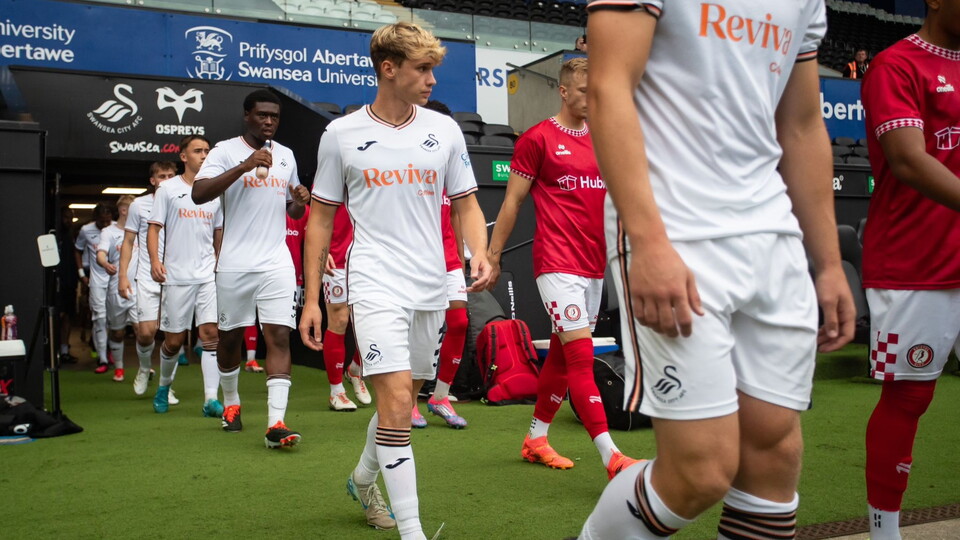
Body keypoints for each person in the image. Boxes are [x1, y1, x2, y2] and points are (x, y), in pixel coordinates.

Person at [578, 3, 855, 539]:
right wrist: (649, 244)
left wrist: (827, 264)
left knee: (775, 456)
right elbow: (609, 88)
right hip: (674, 228)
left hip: (771, 234)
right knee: (700, 471)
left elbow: (801, 125)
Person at [300, 22, 491, 539]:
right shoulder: (341, 135)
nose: (432, 80)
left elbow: (468, 205)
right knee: (399, 401)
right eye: (422, 69)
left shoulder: (444, 131)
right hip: (374, 280)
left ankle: (363, 479)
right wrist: (313, 299)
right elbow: (319, 220)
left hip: (431, 282)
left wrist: (478, 251)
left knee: (403, 402)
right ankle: (413, 531)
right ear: (388, 69)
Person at [487, 58, 637, 477]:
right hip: (556, 263)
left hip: (593, 264)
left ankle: (536, 439)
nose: (592, 98)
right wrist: (494, 255)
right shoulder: (537, 139)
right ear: (564, 91)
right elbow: (513, 201)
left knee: (560, 355)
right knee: (581, 357)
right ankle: (611, 457)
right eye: (584, 91)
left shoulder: (603, 139)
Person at [860, 4, 960, 539]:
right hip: (914, 263)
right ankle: (886, 533)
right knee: (909, 397)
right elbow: (906, 159)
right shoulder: (896, 65)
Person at [193, 89, 312, 449]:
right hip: (235, 263)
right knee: (229, 338)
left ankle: (276, 423)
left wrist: (299, 202)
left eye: (274, 116)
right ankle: (231, 404)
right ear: (247, 115)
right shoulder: (224, 151)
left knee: (278, 336)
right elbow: (199, 194)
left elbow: (291, 210)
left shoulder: (286, 155)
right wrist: (245, 165)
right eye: (262, 115)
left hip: (276, 262)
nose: (269, 121)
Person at [148, 135, 224, 416]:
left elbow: (218, 230)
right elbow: (154, 227)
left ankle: (210, 400)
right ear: (183, 157)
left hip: (207, 275)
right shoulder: (167, 189)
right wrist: (155, 261)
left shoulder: (214, 191)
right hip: (177, 276)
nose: (204, 155)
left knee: (210, 334)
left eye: (206, 150)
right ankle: (163, 387)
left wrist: (220, 261)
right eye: (197, 151)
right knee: (174, 341)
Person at [415, 98, 468, 429]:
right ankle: (409, 401)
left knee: (459, 322)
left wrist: (461, 257)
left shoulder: (451, 163)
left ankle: (440, 396)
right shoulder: (409, 161)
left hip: (447, 258)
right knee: (417, 332)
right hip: (415, 260)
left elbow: (459, 213)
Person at [119, 162, 177, 395]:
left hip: (177, 279)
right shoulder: (139, 205)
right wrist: (122, 276)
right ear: (153, 180)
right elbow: (128, 242)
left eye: (171, 175)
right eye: (162, 176)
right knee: (145, 333)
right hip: (146, 277)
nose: (166, 180)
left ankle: (166, 387)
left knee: (173, 339)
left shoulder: (185, 201)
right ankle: (144, 368)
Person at [322, 204, 370, 412]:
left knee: (372, 321)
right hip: (337, 257)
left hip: (372, 260)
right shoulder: (331, 180)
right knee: (339, 320)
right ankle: (336, 391)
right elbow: (318, 215)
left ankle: (355, 369)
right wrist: (321, 249)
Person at [96, 195, 139, 382]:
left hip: (139, 288)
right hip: (116, 288)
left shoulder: (142, 230)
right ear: (124, 210)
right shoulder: (108, 232)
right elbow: (101, 253)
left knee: (142, 330)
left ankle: (145, 368)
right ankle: (119, 368)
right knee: (118, 332)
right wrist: (105, 263)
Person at [75, 203, 115, 374]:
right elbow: (77, 250)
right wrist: (81, 274)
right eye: (101, 221)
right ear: (95, 219)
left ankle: (111, 351)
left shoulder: (117, 228)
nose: (105, 224)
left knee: (113, 319)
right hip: (97, 281)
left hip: (114, 280)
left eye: (108, 221)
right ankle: (102, 358)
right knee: (99, 318)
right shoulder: (86, 230)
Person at [57, 206, 79, 365]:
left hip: (70, 283)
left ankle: (64, 351)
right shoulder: (54, 235)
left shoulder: (72, 236)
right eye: (66, 217)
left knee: (67, 317)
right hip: (57, 283)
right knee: (58, 316)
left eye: (70, 218)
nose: (68, 221)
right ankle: (55, 351)